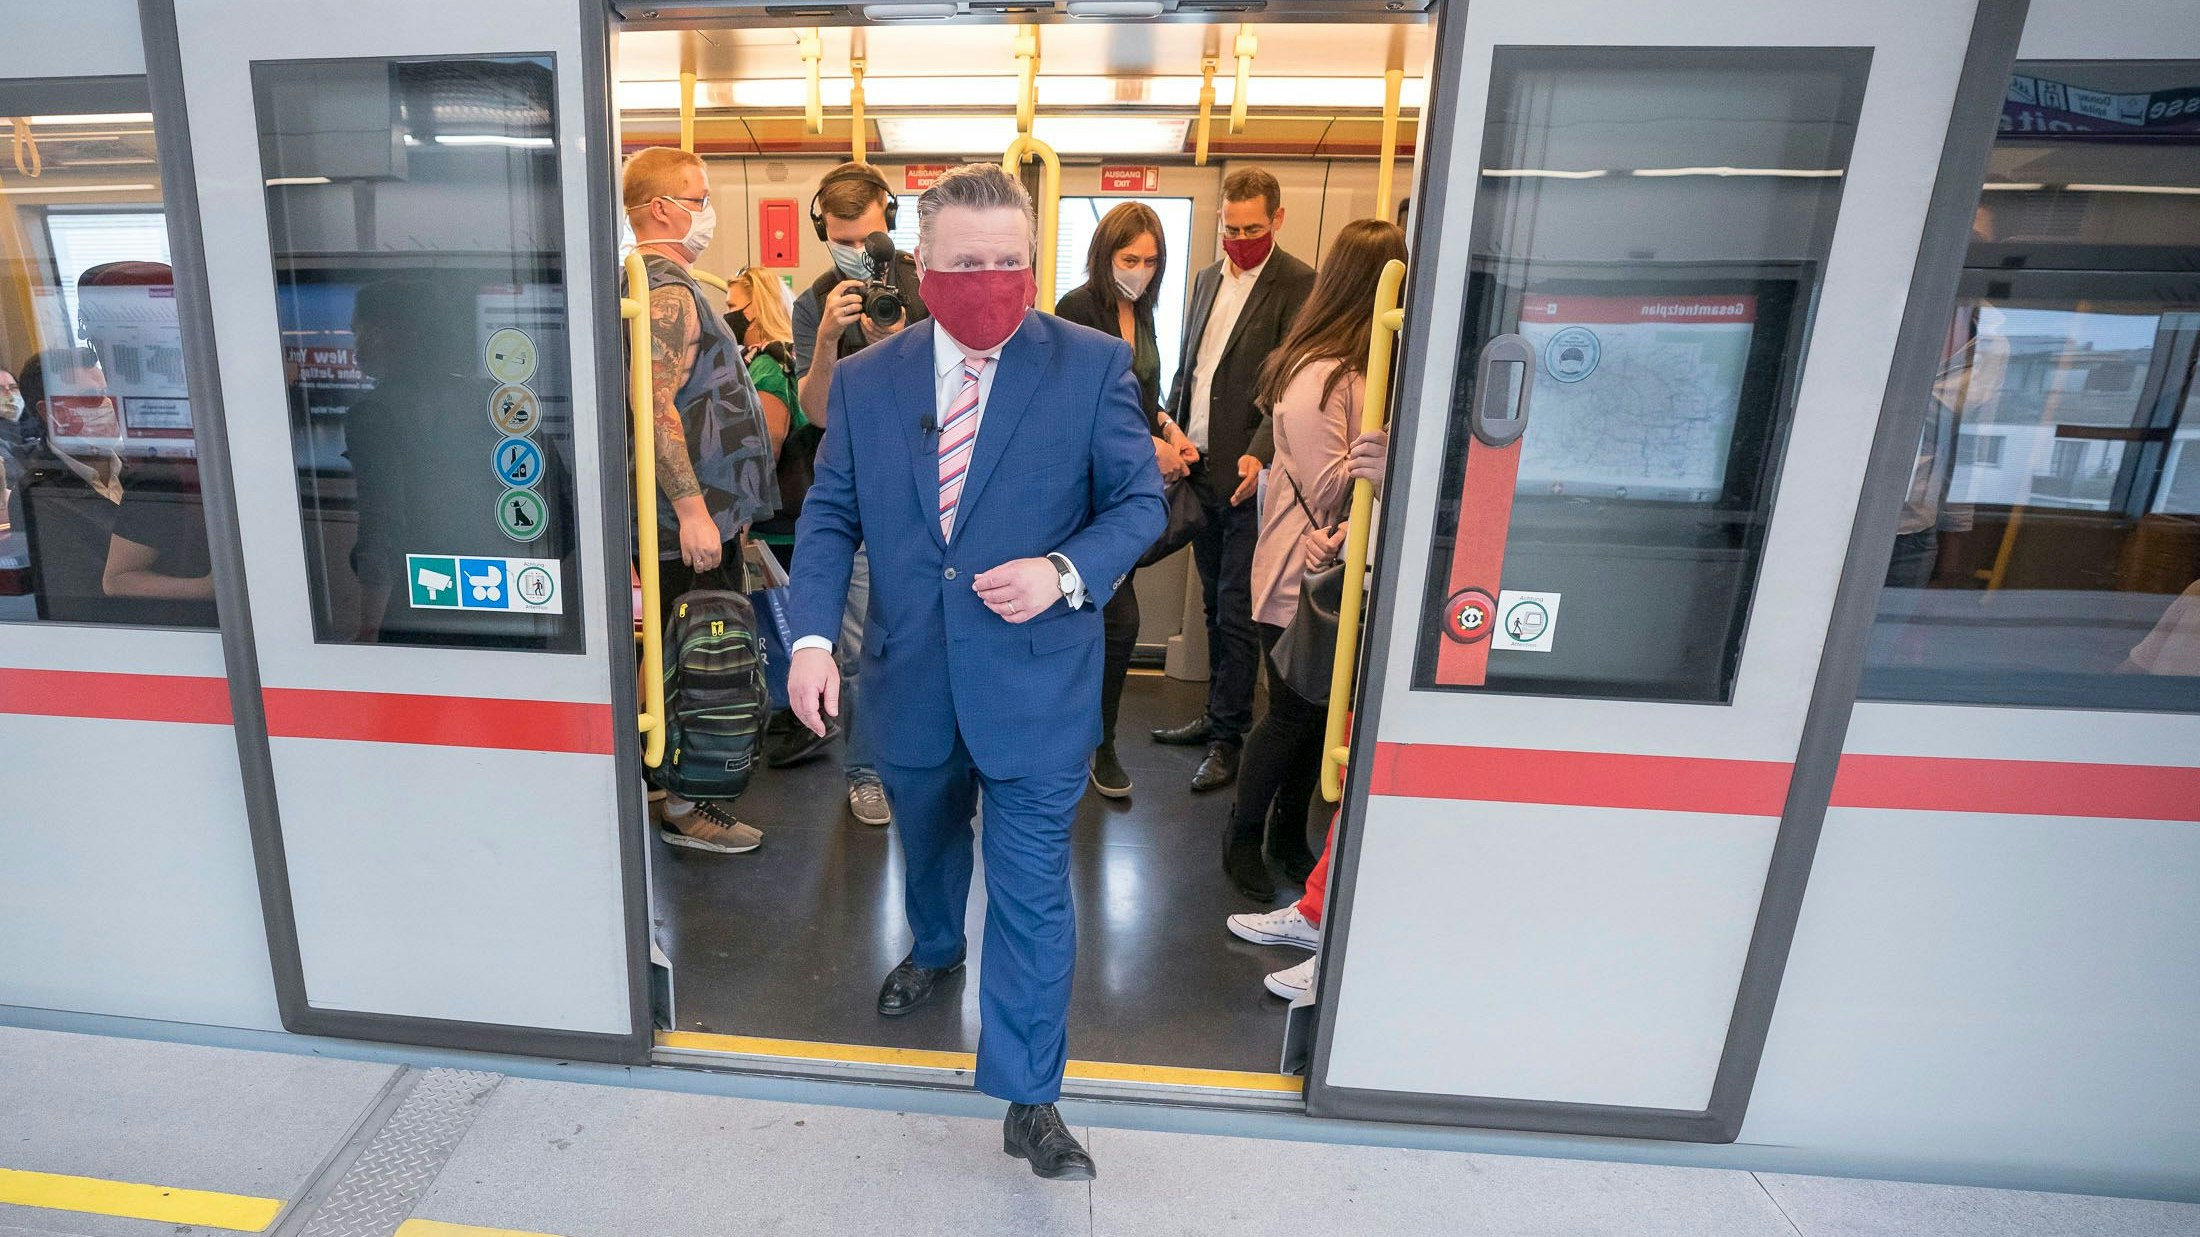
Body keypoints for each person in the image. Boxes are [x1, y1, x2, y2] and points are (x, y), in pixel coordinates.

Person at [784, 163, 1164, 1180]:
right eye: (967, 261)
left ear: (1033, 260)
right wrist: (812, 639)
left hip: (1036, 682)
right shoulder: (870, 379)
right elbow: (830, 514)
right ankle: (936, 945)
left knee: (1034, 891)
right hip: (910, 674)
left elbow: (1139, 502)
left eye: (1010, 260)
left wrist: (1062, 571)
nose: (990, 278)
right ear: (924, 262)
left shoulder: (1089, 366)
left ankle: (1030, 1094)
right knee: (927, 837)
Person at [1220, 220, 1405, 903]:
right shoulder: (1321, 374)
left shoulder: (1360, 369)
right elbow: (1329, 488)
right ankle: (1242, 836)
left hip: (1331, 567)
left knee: (1320, 714)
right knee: (1293, 713)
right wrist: (1385, 451)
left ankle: (1286, 835)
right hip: (1299, 571)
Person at [624, 146, 783, 855]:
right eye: (699, 197)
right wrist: (693, 511)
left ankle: (660, 782)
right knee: (705, 660)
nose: (707, 211)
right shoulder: (666, 292)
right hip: (686, 522)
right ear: (662, 208)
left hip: (692, 517)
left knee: (669, 651)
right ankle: (688, 806)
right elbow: (654, 404)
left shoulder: (654, 284)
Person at [1151, 166, 1317, 794]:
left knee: (1237, 608)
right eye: (1231, 228)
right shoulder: (1205, 280)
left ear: (1277, 220)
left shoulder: (1298, 284)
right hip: (1198, 463)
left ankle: (1228, 738)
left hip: (1249, 473)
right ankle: (1217, 716)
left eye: (1251, 229)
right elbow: (1193, 368)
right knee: (1211, 603)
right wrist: (1170, 426)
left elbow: (1287, 381)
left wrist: (1258, 453)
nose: (1240, 239)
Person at [1226, 422, 1393, 1000]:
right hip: (1367, 588)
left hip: (1400, 609)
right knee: (1346, 767)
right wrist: (1345, 538)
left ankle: (1343, 941)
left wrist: (1398, 480)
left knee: (1368, 779)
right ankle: (1322, 913)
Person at [788, 161, 930, 827]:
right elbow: (816, 411)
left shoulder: (925, 284)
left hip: (932, 489)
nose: (857, 252)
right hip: (862, 493)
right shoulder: (815, 302)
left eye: (868, 238)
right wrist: (827, 342)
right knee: (858, 650)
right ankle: (866, 769)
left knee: (927, 639)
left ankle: (925, 757)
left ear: (890, 223)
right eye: (842, 240)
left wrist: (897, 344)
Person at [1053, 202, 1198, 799]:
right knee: (1111, 620)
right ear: (1104, 256)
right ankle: (1082, 740)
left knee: (1116, 624)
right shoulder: (1076, 310)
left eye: (1151, 260)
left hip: (1125, 490)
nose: (1140, 270)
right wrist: (1146, 448)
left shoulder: (1142, 312)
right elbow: (1075, 406)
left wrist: (1167, 427)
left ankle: (1100, 740)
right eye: (1130, 258)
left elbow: (1141, 393)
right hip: (1086, 493)